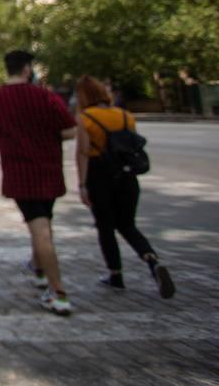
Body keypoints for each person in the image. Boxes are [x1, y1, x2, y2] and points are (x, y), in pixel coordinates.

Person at [0, 50, 78, 316]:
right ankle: (39, 271)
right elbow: (70, 130)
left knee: (40, 228)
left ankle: (59, 293)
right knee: (43, 222)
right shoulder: (45, 96)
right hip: (49, 172)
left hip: (21, 176)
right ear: (27, 69)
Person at [73, 75, 175, 298]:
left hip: (99, 175)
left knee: (105, 227)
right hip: (126, 176)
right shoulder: (125, 116)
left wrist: (81, 184)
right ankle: (151, 259)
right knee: (127, 225)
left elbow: (82, 152)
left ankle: (115, 274)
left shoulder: (86, 118)